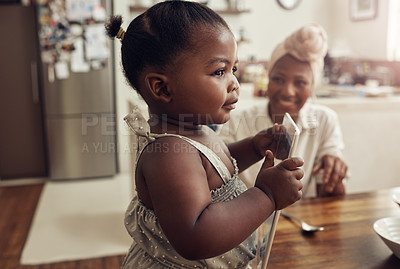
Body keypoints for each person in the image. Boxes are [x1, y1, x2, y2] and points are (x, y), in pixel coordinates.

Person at [105, 1, 304, 268]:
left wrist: (255, 147)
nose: (234, 82)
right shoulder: (168, 155)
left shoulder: (195, 129)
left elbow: (214, 168)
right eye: (219, 71)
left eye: (233, 69)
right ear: (162, 88)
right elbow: (196, 235)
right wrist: (267, 195)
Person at [219, 24, 348, 198]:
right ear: (268, 79)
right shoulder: (236, 121)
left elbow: (329, 199)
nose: (288, 91)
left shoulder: (325, 120)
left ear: (312, 86)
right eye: (278, 79)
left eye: (300, 82)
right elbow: (216, 184)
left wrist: (334, 176)